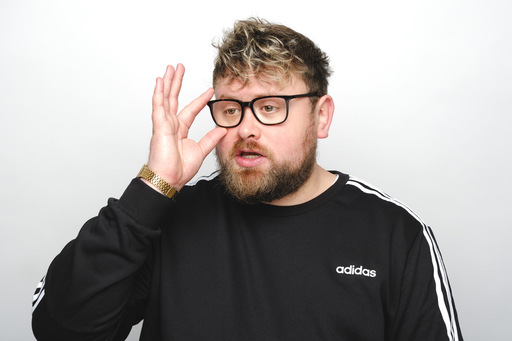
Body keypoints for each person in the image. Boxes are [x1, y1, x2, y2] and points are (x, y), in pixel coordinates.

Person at [31, 18, 463, 340]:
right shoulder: (168, 217)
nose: (245, 129)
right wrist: (153, 186)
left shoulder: (396, 236)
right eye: (232, 109)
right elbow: (60, 328)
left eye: (271, 107)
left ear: (321, 116)